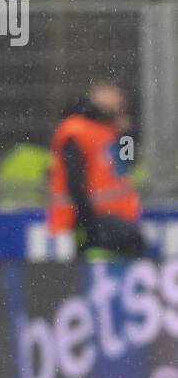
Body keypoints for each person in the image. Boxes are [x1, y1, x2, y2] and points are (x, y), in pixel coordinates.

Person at [47, 82, 145, 258]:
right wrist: (88, 221)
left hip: (116, 219)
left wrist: (126, 134)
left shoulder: (110, 128)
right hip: (89, 221)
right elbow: (74, 180)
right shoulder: (76, 130)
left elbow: (126, 163)